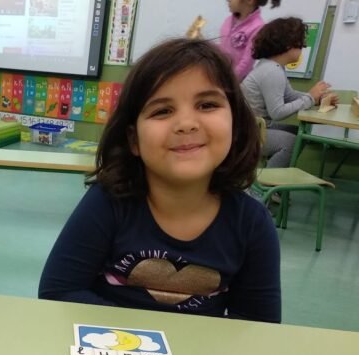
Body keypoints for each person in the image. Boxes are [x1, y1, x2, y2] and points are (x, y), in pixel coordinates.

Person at [39, 39, 281, 323]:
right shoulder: (109, 202)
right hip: (108, 354)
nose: (186, 123)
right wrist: (146, 340)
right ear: (134, 140)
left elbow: (259, 325)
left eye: (207, 104)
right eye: (162, 111)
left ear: (235, 125)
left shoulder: (251, 223)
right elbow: (59, 291)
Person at [241, 17, 336, 168]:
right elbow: (277, 113)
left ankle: (270, 174)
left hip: (258, 126)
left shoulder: (272, 66)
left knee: (299, 134)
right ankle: (267, 186)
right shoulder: (272, 71)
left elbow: (288, 95)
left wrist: (317, 98)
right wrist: (310, 97)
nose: (303, 48)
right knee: (292, 143)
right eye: (301, 45)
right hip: (247, 134)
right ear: (288, 45)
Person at [219, 0, 281, 81]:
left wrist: (229, 81)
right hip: (221, 75)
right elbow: (222, 47)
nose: (227, 0)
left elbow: (246, 63)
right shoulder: (228, 20)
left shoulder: (257, 27)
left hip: (236, 82)